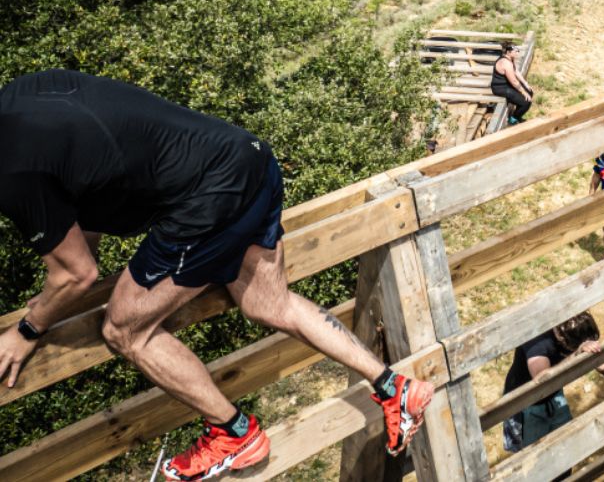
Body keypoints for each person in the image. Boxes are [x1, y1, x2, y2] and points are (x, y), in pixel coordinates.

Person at [0, 70, 433, 481]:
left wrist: (28, 329)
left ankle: (233, 432)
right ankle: (394, 387)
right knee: (269, 303)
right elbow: (78, 197)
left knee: (124, 329)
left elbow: (78, 274)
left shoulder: (14, 172)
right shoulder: (24, 95)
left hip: (206, 200)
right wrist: (58, 290)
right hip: (248, 157)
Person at [502, 311, 604, 476]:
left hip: (554, 392)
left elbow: (595, 357)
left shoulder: (575, 323)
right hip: (524, 402)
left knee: (563, 446)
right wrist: (576, 355)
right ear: (562, 339)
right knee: (531, 459)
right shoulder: (537, 342)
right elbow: (542, 382)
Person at [491, 43, 534, 124]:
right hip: (500, 88)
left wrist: (525, 84)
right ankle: (514, 118)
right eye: (516, 51)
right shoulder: (505, 63)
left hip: (507, 85)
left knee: (530, 92)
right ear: (508, 52)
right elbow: (514, 81)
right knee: (527, 102)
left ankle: (517, 113)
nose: (518, 52)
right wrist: (523, 92)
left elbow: (515, 71)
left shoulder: (510, 58)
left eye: (518, 51)